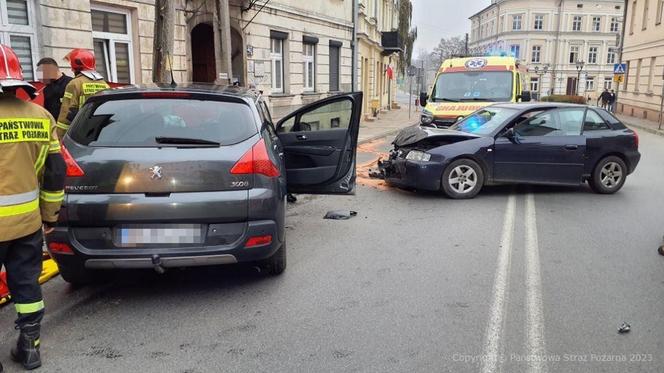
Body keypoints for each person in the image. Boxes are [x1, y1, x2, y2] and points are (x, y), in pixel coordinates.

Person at [0, 44, 66, 371]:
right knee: (26, 284)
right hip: (26, 224)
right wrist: (49, 216)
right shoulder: (41, 117)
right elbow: (55, 171)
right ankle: (30, 347)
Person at [56, 48, 109, 138]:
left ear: (75, 66)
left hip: (79, 133)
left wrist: (59, 137)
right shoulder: (104, 84)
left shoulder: (74, 84)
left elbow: (66, 113)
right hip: (99, 132)